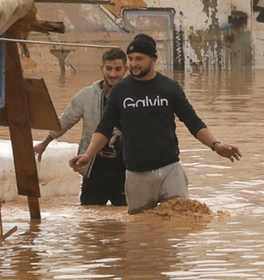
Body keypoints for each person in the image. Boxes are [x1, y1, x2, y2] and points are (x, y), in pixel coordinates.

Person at [69, 34, 241, 214]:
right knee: (141, 230)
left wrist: (216, 145)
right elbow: (104, 129)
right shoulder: (120, 90)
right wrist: (88, 155)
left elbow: (193, 122)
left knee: (181, 222)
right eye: (131, 59)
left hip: (170, 170)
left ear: (153, 59)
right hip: (137, 175)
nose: (134, 63)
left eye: (139, 59)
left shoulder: (170, 88)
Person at [35, 48, 128, 206]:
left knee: (129, 219)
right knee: (90, 219)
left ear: (126, 70)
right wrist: (45, 143)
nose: (113, 74)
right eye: (109, 68)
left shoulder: (134, 96)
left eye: (118, 69)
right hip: (94, 166)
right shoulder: (86, 96)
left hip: (126, 166)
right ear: (101, 69)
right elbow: (65, 121)